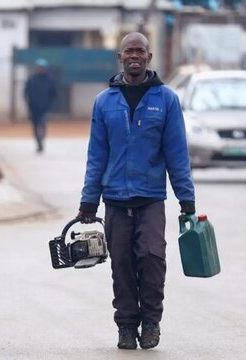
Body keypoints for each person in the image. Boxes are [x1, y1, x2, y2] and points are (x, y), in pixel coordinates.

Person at [77, 32, 195, 350]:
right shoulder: (104, 103)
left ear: (148, 57)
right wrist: (89, 201)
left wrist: (187, 198)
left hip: (151, 199)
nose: (134, 56)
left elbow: (177, 153)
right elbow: (96, 155)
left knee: (152, 259)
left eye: (140, 51)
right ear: (120, 57)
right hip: (114, 200)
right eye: (128, 51)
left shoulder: (166, 100)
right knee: (122, 265)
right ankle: (127, 327)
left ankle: (152, 322)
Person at [24, 58, 56, 153]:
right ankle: (38, 142)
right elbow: (26, 92)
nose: (40, 69)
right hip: (33, 107)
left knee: (42, 124)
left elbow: (53, 93)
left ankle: (41, 140)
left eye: (42, 68)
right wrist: (29, 103)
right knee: (35, 125)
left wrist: (49, 104)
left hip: (44, 107)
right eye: (39, 68)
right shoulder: (32, 80)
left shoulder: (49, 80)